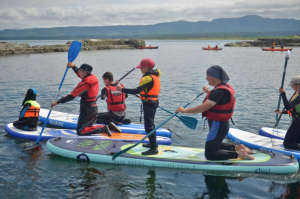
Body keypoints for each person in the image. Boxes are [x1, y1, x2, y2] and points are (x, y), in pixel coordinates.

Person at [176, 65, 254, 160]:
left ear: (214, 77)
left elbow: (202, 108)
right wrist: (208, 92)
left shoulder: (218, 92)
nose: (206, 78)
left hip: (217, 125)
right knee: (216, 144)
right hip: (220, 124)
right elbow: (218, 100)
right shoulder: (222, 88)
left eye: (207, 76)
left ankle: (239, 154)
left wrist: (184, 111)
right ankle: (238, 147)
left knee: (210, 154)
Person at [51, 62, 120, 136]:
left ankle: (103, 128)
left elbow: (71, 96)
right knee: (87, 128)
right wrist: (73, 66)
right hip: (93, 108)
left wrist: (57, 102)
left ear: (85, 72)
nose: (79, 72)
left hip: (87, 109)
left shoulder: (85, 84)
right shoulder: (92, 78)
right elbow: (79, 74)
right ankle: (109, 127)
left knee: (81, 131)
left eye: (80, 70)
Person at [116, 58, 160, 155]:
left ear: (146, 67)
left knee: (149, 126)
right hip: (152, 102)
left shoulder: (147, 78)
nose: (140, 69)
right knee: (150, 124)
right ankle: (154, 144)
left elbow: (137, 91)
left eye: (141, 68)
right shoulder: (154, 75)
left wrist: (122, 89)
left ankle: (153, 149)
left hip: (149, 103)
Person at [277, 76, 300, 150]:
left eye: (292, 86)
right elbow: (294, 110)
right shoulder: (297, 95)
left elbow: (289, 107)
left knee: (287, 144)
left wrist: (283, 94)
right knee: (296, 141)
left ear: (298, 85)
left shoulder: (299, 97)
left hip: (297, 123)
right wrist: (282, 112)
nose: (292, 87)